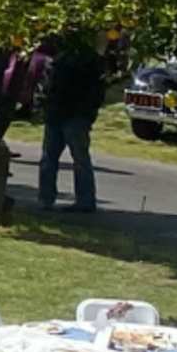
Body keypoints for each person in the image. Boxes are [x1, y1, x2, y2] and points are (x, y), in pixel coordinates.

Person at [35, 29, 109, 215]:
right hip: (72, 115)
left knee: (52, 158)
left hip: (66, 114)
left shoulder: (63, 61)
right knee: (77, 159)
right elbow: (96, 92)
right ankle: (82, 200)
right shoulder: (91, 61)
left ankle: (47, 198)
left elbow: (51, 87)